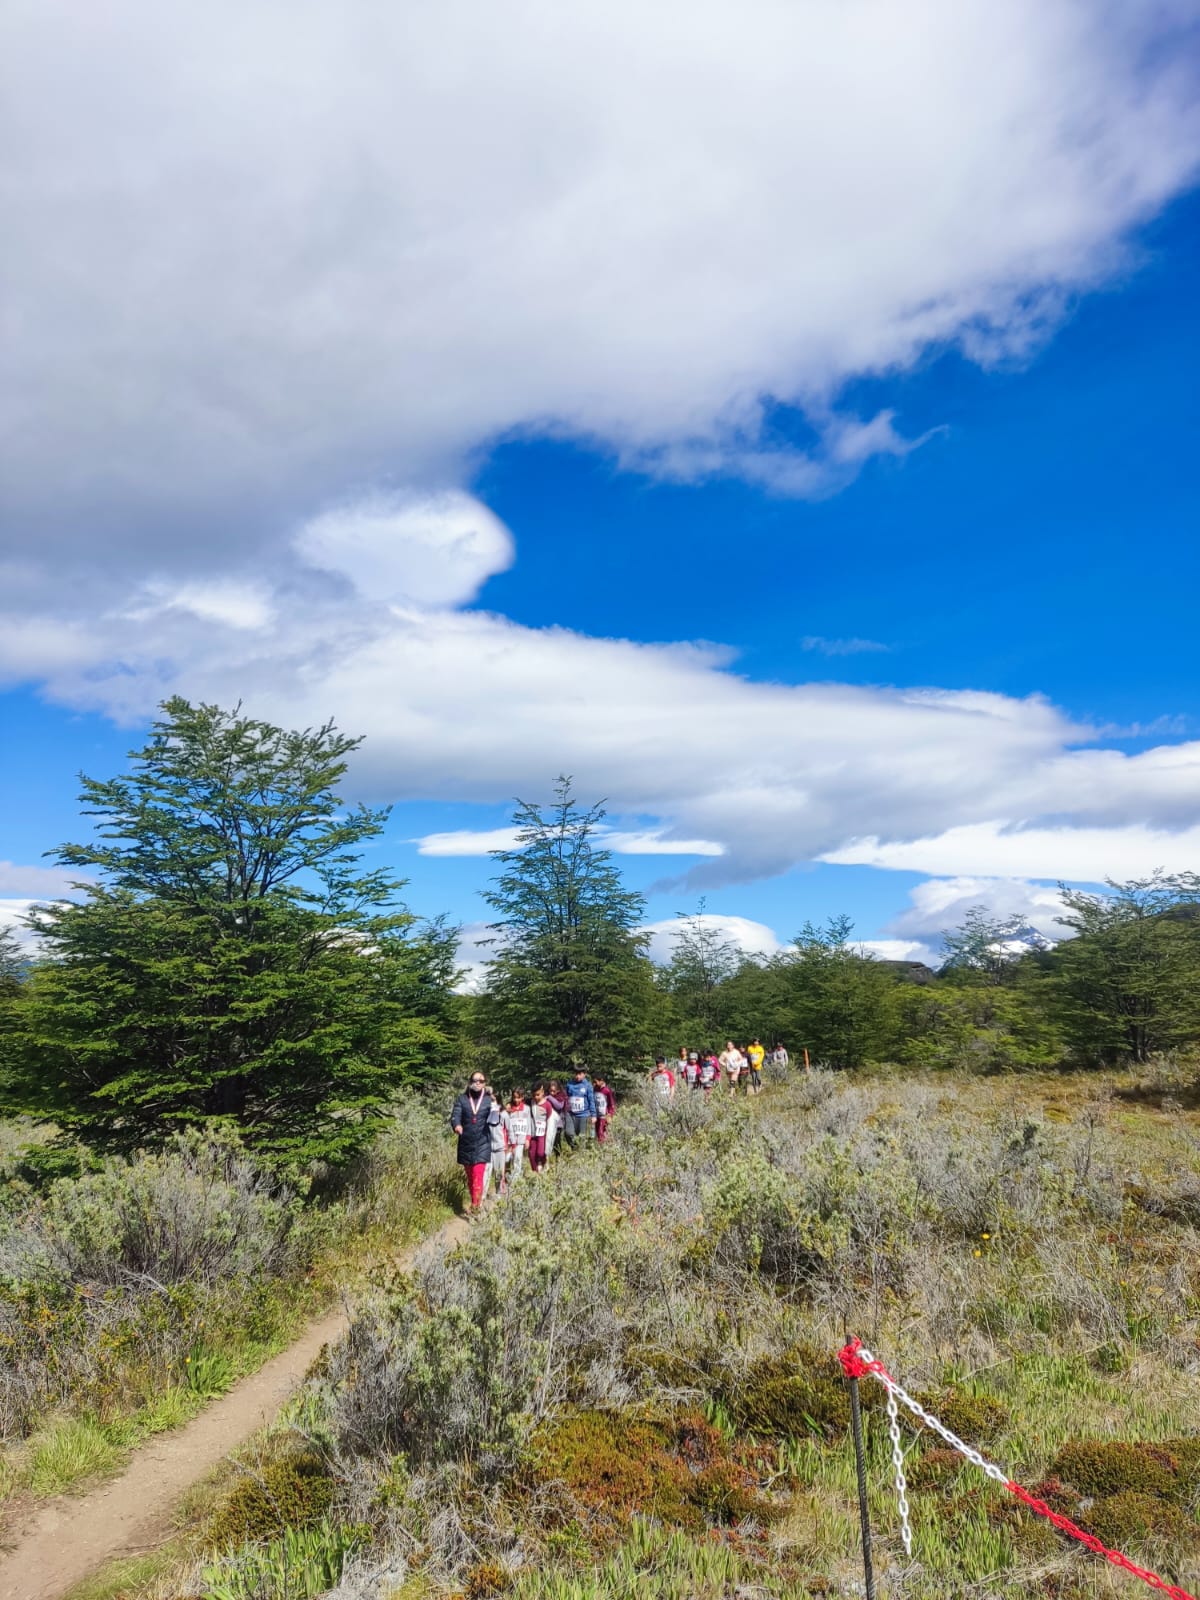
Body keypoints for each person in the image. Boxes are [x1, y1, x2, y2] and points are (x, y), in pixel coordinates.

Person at [450, 1072, 494, 1214]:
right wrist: (457, 1125)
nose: (478, 1083)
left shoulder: (489, 1100)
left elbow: (495, 1119)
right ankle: (474, 1200)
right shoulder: (462, 1099)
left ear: (485, 1083)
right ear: (470, 1082)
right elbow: (455, 1115)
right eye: (475, 1080)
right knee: (470, 1177)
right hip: (466, 1142)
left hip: (482, 1142)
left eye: (481, 1081)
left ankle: (476, 1206)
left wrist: (496, 1114)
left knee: (478, 1175)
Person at [482, 1085, 508, 1198]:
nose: (491, 1102)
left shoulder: (504, 1114)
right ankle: (482, 1195)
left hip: (499, 1148)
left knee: (498, 1172)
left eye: (493, 1100)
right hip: (487, 1148)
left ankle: (499, 1192)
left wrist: (510, 1145)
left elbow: (509, 1130)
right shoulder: (484, 1114)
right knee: (486, 1172)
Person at [564, 1067, 597, 1147]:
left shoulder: (588, 1085)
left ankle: (580, 1153)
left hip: (583, 1115)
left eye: (580, 1074)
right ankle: (574, 1147)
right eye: (576, 1074)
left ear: (584, 1074)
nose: (577, 1076)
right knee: (568, 1133)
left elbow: (591, 1101)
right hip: (570, 1114)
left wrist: (593, 1115)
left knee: (582, 1137)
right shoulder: (570, 1084)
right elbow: (565, 1097)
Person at [507, 1087, 533, 1182]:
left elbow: (529, 1124)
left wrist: (528, 1138)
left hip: (521, 1140)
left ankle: (515, 1181)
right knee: (509, 1159)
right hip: (510, 1140)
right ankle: (509, 1176)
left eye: (518, 1097)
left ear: (522, 1097)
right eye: (514, 1097)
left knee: (518, 1158)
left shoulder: (526, 1109)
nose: (516, 1100)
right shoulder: (509, 1109)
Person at [528, 1084, 551, 1172]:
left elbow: (549, 1117)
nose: (536, 1097)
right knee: (531, 1154)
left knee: (540, 1152)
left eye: (538, 1095)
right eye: (534, 1095)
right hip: (533, 1133)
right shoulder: (531, 1103)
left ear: (542, 1093)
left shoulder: (547, 1104)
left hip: (542, 1133)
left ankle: (543, 1164)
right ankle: (535, 1172)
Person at [545, 1079, 567, 1159]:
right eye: (550, 1091)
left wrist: (550, 1098)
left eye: (554, 1091)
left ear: (558, 1090)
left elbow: (559, 1106)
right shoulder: (546, 1096)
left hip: (558, 1124)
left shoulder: (561, 1097)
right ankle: (548, 1157)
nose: (552, 1093)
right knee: (549, 1141)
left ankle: (558, 1158)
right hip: (548, 1123)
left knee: (557, 1142)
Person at [594, 1077, 616, 1142]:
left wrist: (610, 1115)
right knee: (597, 1131)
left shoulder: (607, 1090)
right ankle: (600, 1146)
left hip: (604, 1115)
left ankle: (603, 1147)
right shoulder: (595, 1089)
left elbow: (611, 1104)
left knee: (601, 1132)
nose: (595, 1083)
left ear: (601, 1081)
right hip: (596, 1115)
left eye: (596, 1081)